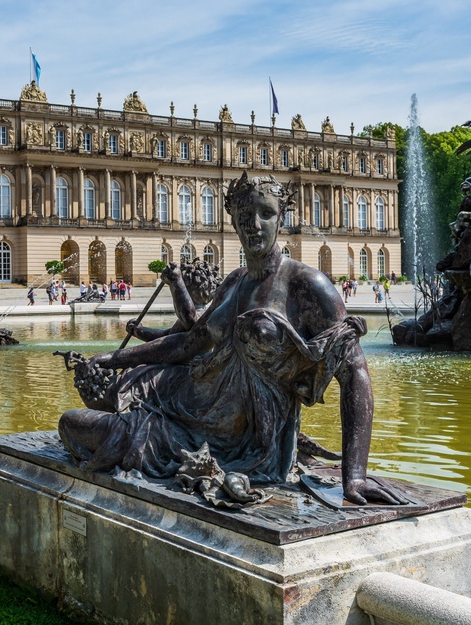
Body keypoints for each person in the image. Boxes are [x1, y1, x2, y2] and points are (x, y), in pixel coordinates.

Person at [58, 173, 404, 506]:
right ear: (235, 223)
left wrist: (354, 475)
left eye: (266, 213)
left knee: (83, 428)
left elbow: (355, 373)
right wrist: (113, 358)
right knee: (74, 421)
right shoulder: (234, 281)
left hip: (235, 442)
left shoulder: (306, 284)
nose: (255, 224)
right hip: (183, 405)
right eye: (244, 216)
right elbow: (188, 344)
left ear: (281, 219)